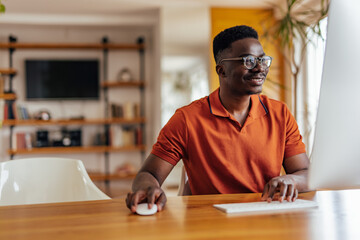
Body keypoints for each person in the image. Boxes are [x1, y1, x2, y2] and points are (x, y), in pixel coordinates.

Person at [126, 25, 309, 213]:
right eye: (249, 61)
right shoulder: (186, 119)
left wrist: (291, 179)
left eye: (262, 60)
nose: (260, 68)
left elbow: (305, 173)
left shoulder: (280, 114)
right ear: (222, 70)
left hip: (266, 216)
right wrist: (148, 188)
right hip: (210, 220)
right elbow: (149, 173)